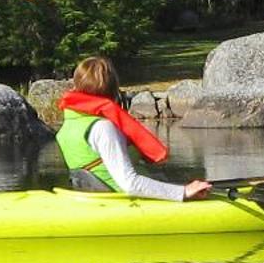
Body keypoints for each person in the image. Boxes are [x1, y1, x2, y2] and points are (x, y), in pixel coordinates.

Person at [56, 56, 210, 201]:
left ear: (76, 86)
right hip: (125, 202)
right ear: (113, 90)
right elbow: (129, 183)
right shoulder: (102, 128)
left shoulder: (69, 125)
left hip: (93, 199)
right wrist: (183, 192)